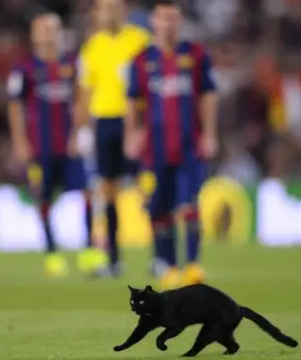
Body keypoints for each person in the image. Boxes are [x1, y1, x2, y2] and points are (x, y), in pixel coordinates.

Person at [126, 0, 219, 289]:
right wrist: (133, 131)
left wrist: (210, 133)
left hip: (189, 146)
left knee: (189, 204)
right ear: (153, 21)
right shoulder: (141, 60)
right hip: (154, 150)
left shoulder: (196, 55)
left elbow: (207, 94)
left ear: (179, 20)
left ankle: (192, 265)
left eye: (172, 17)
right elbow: (134, 101)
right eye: (162, 17)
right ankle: (168, 266)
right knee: (157, 209)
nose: (167, 23)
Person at [7, 13, 89, 277]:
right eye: (42, 29)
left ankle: (90, 250)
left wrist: (78, 133)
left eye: (52, 28)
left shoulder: (72, 64)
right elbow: (15, 107)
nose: (48, 33)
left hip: (68, 144)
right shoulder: (24, 69)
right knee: (43, 197)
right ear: (34, 35)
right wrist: (20, 142)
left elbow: (80, 99)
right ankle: (52, 254)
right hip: (40, 145)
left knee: (85, 193)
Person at [75, 0, 151, 277]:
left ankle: (160, 256)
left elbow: (151, 83)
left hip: (136, 121)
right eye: (104, 8)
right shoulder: (92, 46)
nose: (109, 13)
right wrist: (81, 129)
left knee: (147, 186)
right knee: (108, 190)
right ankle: (113, 259)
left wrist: (144, 125)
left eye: (114, 8)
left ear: (124, 11)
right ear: (97, 13)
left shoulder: (141, 41)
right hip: (105, 122)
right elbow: (84, 92)